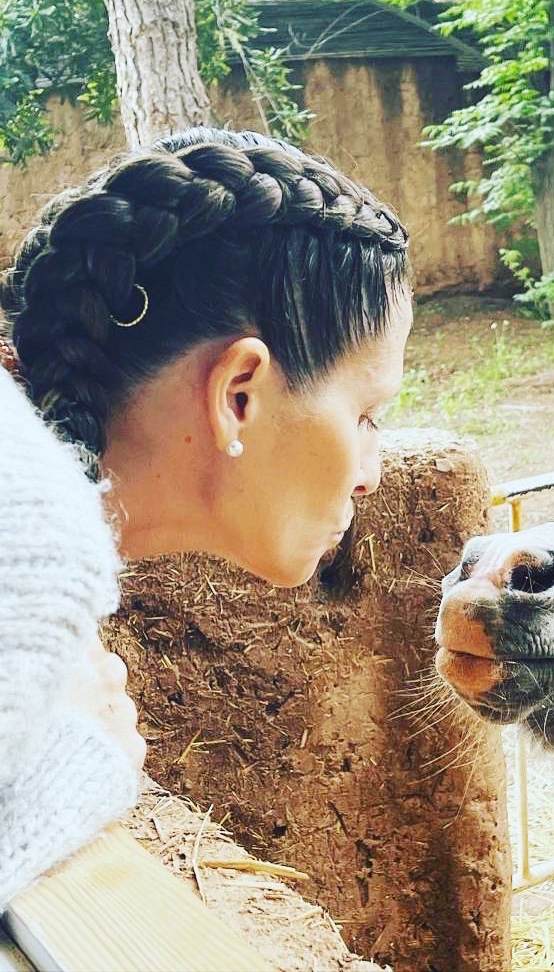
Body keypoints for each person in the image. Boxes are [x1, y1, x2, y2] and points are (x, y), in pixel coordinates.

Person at [0, 128, 412, 905]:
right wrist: (80, 768)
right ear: (239, 394)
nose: (371, 475)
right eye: (365, 413)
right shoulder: (33, 544)